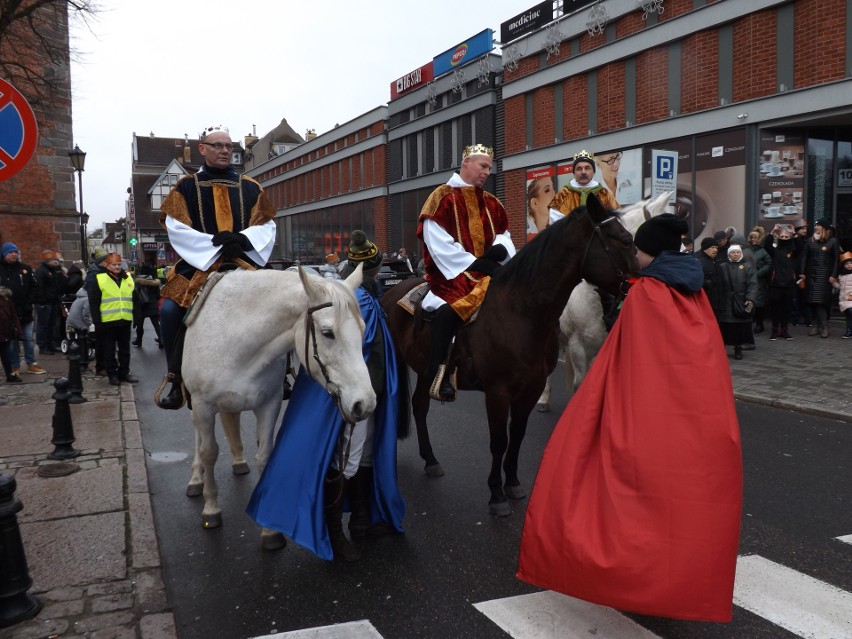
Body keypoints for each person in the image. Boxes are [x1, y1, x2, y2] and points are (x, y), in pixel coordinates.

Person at [518, 214, 742, 622]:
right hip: (692, 423)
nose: (633, 257)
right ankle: (677, 583)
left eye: (637, 250)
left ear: (651, 253)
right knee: (679, 510)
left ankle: (637, 581)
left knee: (633, 500)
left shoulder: (648, 294)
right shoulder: (694, 290)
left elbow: (623, 363)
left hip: (650, 420)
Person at [247, 233, 406, 562]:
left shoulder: (368, 298)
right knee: (346, 458)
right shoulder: (351, 302)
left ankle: (362, 519)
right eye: (373, 270)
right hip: (349, 394)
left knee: (363, 458)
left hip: (371, 390)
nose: (375, 275)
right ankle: (334, 530)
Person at [156, 125, 276, 409]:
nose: (224, 150)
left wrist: (241, 240)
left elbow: (267, 224)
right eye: (217, 145)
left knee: (281, 301)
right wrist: (215, 243)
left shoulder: (251, 187)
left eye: (228, 146)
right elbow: (177, 227)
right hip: (200, 264)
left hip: (243, 259)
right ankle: (176, 379)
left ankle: (281, 374)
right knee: (171, 310)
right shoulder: (185, 187)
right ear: (203, 149)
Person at [417, 143, 516, 401]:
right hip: (451, 273)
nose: (486, 173)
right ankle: (439, 373)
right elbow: (436, 240)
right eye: (483, 166)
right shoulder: (441, 197)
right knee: (450, 310)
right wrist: (473, 263)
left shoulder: (492, 202)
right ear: (466, 164)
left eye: (489, 169)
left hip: (488, 271)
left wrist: (499, 251)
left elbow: (505, 235)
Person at [87, 253, 138, 386]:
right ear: (107, 265)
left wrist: (137, 317)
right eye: (114, 265)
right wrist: (97, 321)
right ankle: (112, 374)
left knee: (125, 350)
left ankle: (124, 373)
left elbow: (135, 299)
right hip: (107, 321)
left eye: (118, 264)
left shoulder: (128, 279)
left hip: (125, 320)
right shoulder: (100, 278)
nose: (116, 267)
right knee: (109, 350)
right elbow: (94, 301)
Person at [0, 242, 44, 375]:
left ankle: (31, 363)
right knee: (12, 340)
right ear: (4, 254)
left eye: (15, 252)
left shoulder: (25, 268)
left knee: (28, 338)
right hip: (8, 313)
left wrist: (29, 302)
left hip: (25, 310)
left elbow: (34, 287)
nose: (14, 254)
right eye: (10, 252)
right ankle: (15, 365)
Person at [800, 217, 840, 338]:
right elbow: (804, 257)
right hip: (811, 275)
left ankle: (824, 326)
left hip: (825, 277)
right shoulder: (810, 241)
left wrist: (834, 275)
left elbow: (836, 261)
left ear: (824, 228)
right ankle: (817, 325)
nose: (815, 227)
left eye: (818, 225)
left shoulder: (833, 241)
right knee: (813, 301)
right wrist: (802, 272)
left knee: (821, 302)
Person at [718, 244, 759, 359]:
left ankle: (738, 349)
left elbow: (753, 284)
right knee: (726, 327)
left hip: (741, 301)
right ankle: (722, 349)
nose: (735, 254)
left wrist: (750, 299)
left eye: (737, 252)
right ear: (728, 254)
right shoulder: (723, 266)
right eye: (732, 252)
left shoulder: (747, 266)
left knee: (739, 328)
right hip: (726, 302)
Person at [548, 150, 620, 215]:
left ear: (593, 171)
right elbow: (554, 221)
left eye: (587, 168)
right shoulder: (563, 194)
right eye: (579, 169)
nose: (583, 172)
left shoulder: (604, 194)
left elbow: (616, 215)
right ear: (574, 173)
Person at [764, 224, 802, 340]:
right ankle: (775, 331)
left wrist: (794, 233)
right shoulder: (775, 251)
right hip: (776, 284)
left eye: (787, 237)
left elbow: (800, 246)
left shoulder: (793, 251)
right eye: (782, 237)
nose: (784, 239)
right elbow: (766, 245)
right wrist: (773, 231)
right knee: (775, 309)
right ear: (779, 238)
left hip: (789, 284)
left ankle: (784, 331)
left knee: (787, 310)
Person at [33, 249, 67, 356]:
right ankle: (43, 346)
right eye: (53, 260)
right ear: (48, 261)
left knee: (51, 325)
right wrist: (42, 302)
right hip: (45, 303)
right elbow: (39, 288)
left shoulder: (54, 271)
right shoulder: (41, 271)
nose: (56, 261)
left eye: (56, 259)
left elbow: (59, 285)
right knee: (43, 325)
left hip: (53, 302)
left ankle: (50, 344)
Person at [84, 248, 112, 376]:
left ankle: (108, 365)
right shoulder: (94, 274)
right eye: (107, 260)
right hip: (100, 313)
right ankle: (101, 367)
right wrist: (97, 318)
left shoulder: (105, 271)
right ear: (103, 261)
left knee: (107, 342)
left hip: (109, 311)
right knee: (101, 342)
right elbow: (93, 298)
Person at [132, 262, 162, 348]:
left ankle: (139, 340)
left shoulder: (138, 281)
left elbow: (135, 294)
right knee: (156, 324)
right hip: (152, 304)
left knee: (140, 325)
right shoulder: (154, 282)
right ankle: (161, 340)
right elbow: (157, 295)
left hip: (141, 306)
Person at [748, 226, 772, 335]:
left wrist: (758, 273)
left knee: (758, 303)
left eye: (756, 237)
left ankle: (759, 324)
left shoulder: (763, 251)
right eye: (752, 237)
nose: (754, 239)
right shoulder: (747, 250)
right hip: (748, 279)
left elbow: (769, 264)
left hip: (759, 280)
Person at [696, 236, 725, 318]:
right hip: (705, 302)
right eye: (712, 247)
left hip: (716, 303)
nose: (715, 250)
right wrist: (706, 283)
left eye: (716, 248)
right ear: (705, 248)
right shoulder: (698, 261)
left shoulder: (715, 260)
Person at [791, 219, 813, 327]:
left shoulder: (808, 240)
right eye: (803, 228)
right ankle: (795, 318)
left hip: (804, 272)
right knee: (795, 296)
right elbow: (796, 251)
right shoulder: (794, 240)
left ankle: (807, 319)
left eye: (806, 228)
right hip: (795, 271)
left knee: (804, 296)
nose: (805, 230)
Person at [525, 175, 560, 240]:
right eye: (547, 190)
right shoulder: (528, 236)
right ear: (535, 203)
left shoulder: (560, 231)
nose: (554, 194)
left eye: (553, 188)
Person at [0, 284, 24, 384]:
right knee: (6, 354)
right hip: (3, 331)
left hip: (6, 331)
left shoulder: (7, 299)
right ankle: (9, 374)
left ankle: (10, 374)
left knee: (6, 355)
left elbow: (13, 315)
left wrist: (18, 330)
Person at [66, 286, 93, 369]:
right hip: (78, 322)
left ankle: (73, 355)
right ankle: (83, 362)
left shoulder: (79, 298)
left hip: (71, 321)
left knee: (73, 339)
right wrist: (90, 324)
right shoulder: (87, 299)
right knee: (83, 341)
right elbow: (85, 315)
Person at [836, 251, 852, 338]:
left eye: (851, 263)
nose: (849, 265)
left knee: (850, 312)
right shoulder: (841, 275)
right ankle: (849, 331)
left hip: (851, 298)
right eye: (847, 264)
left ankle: (849, 331)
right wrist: (834, 283)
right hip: (844, 299)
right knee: (848, 316)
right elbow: (840, 287)